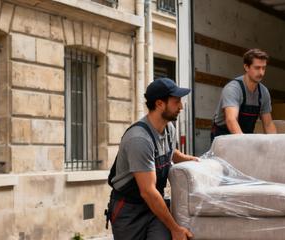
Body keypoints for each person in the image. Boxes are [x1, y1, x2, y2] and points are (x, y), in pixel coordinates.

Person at [106, 78, 199, 240]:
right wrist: (176, 229)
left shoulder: (169, 129)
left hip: (156, 208)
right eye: (176, 101)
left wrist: (192, 160)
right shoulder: (139, 139)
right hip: (129, 211)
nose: (181, 106)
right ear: (159, 104)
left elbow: (170, 152)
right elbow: (148, 192)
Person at [210, 48, 276, 141]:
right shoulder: (233, 89)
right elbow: (231, 120)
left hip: (244, 135)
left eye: (263, 68)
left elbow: (268, 124)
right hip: (223, 137)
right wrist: (244, 143)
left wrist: (275, 144)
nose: (261, 72)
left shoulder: (263, 92)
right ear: (246, 67)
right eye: (257, 68)